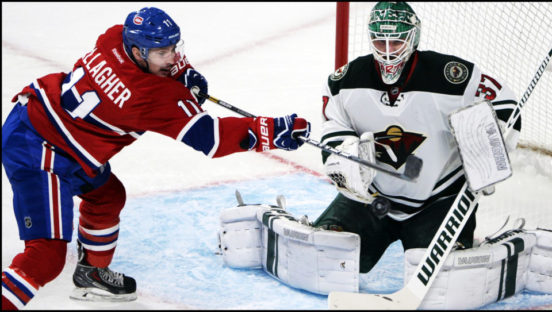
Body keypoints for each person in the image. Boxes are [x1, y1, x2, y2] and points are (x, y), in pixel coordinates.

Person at [1, 7, 310, 309]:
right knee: (46, 257)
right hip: (40, 149)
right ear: (137, 52)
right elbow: (211, 139)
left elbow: (165, 69)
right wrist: (272, 131)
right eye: (162, 53)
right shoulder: (148, 97)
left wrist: (183, 73)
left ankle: (92, 275)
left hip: (47, 121)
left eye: (174, 48)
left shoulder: (113, 38)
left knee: (107, 197)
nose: (172, 58)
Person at [314, 2, 521, 274]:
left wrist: (486, 154)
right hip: (372, 198)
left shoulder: (452, 76)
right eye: (380, 41)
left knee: (442, 279)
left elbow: (507, 106)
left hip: (439, 200)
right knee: (323, 257)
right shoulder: (344, 81)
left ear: (414, 36)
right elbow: (333, 125)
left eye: (397, 41)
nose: (387, 52)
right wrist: (343, 155)